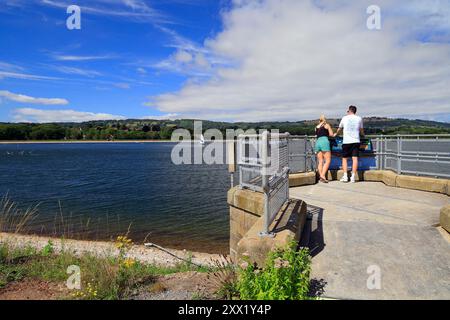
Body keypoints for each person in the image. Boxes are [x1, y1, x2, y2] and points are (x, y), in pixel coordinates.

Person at [333, 105, 364, 183]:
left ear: (349, 111)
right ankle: (353, 177)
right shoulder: (359, 118)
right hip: (356, 141)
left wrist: (336, 134)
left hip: (346, 141)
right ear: (355, 111)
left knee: (344, 159)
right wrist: (363, 135)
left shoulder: (344, 118)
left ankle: (345, 176)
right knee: (355, 159)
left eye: (347, 111)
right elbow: (361, 130)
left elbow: (339, 129)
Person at [314, 115, 334, 183]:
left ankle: (321, 177)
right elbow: (331, 134)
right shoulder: (327, 125)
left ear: (319, 120)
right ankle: (322, 175)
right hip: (324, 141)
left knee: (320, 161)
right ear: (325, 120)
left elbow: (317, 135)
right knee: (328, 160)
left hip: (317, 142)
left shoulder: (316, 127)